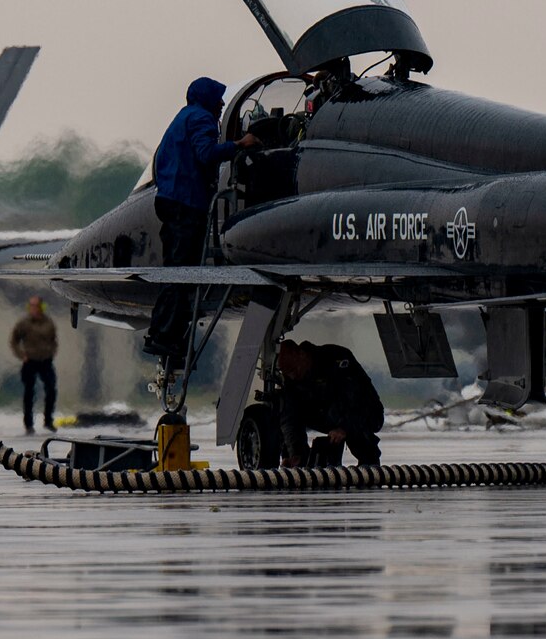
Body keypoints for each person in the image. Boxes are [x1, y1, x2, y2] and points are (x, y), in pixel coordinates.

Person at [142, 78, 258, 359]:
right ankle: (166, 336)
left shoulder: (185, 116)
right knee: (182, 273)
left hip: (173, 200)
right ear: (208, 99)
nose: (221, 104)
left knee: (177, 271)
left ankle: (164, 334)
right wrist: (240, 144)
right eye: (218, 99)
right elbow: (206, 153)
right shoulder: (201, 119)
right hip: (185, 204)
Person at [277, 339, 385, 467]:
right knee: (282, 410)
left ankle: (368, 459)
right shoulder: (291, 378)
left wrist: (344, 427)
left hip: (364, 412)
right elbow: (289, 417)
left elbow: (355, 399)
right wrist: (293, 453)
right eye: (288, 372)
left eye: (293, 370)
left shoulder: (334, 358)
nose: (292, 376)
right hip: (328, 414)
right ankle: (300, 458)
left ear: (301, 354)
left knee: (352, 425)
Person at [10, 295, 58, 435]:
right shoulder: (23, 323)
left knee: (51, 390)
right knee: (29, 393)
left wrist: (52, 352)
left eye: (36, 306)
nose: (34, 309)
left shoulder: (48, 323)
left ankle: (48, 420)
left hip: (45, 361)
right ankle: (28, 424)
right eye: (31, 306)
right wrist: (21, 355)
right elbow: (14, 341)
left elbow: (54, 340)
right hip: (30, 361)